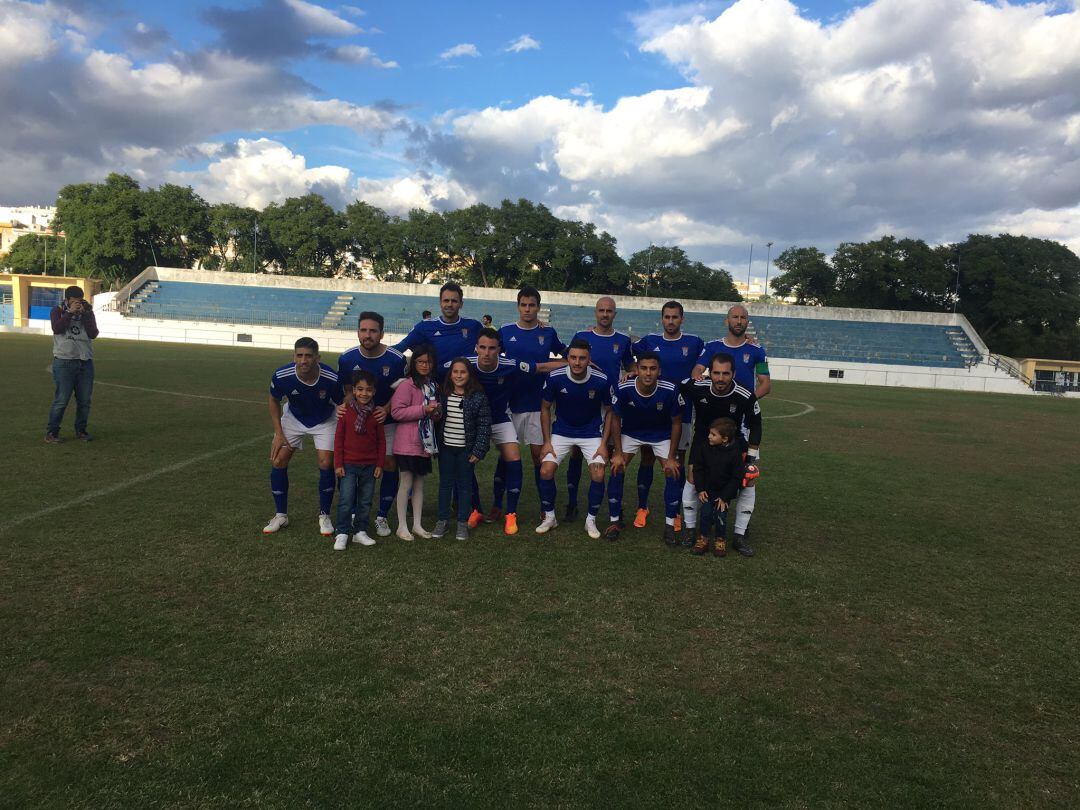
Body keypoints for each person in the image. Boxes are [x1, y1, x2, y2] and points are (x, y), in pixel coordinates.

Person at [448, 327, 566, 535]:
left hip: (500, 419)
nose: (487, 352)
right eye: (482, 347)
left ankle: (510, 514)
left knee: (514, 459)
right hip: (472, 422)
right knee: (465, 463)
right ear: (476, 348)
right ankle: (475, 510)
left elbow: (540, 367)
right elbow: (433, 369)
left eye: (492, 348)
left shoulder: (510, 365)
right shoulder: (465, 365)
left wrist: (573, 363)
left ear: (499, 350)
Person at [629, 300, 703, 532]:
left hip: (681, 411)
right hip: (652, 411)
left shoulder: (694, 342)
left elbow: (714, 354)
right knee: (647, 458)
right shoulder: (650, 341)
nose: (671, 321)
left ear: (682, 319)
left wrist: (749, 342)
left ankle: (676, 510)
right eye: (667, 317)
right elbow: (624, 349)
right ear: (662, 319)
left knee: (677, 461)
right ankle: (643, 507)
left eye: (675, 317)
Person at [496, 286, 567, 524]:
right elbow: (493, 358)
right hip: (510, 404)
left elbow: (568, 356)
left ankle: (546, 508)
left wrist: (546, 366)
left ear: (538, 307)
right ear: (518, 306)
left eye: (532, 305)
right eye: (523, 305)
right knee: (507, 457)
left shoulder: (547, 333)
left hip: (538, 405)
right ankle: (497, 505)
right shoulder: (505, 332)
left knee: (539, 457)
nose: (527, 309)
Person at [679, 352, 762, 557]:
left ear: (733, 373)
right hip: (703, 442)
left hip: (734, 445)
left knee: (748, 481)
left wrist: (750, 458)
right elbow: (677, 387)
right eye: (716, 373)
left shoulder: (744, 394)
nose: (720, 378)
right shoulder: (697, 387)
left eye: (725, 373)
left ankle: (739, 535)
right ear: (710, 373)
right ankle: (690, 530)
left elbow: (756, 424)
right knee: (691, 479)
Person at [336, 312, 407, 538]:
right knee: (351, 464)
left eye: (373, 330)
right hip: (358, 424)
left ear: (382, 333)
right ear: (358, 332)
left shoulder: (397, 359)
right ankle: (355, 512)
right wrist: (343, 406)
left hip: (385, 422)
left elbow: (402, 390)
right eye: (364, 330)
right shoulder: (346, 359)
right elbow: (348, 391)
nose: (368, 335)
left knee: (388, 464)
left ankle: (382, 516)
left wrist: (385, 409)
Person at [536, 339, 615, 539]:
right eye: (573, 357)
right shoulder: (555, 377)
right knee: (545, 470)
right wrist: (546, 441)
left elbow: (610, 411)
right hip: (562, 430)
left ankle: (590, 520)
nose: (577, 362)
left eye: (582, 358)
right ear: (567, 358)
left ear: (589, 359)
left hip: (591, 433)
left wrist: (604, 444)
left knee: (598, 474)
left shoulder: (602, 379)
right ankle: (550, 517)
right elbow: (545, 408)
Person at [264, 337, 342, 536]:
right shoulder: (282, 375)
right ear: (294, 356)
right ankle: (281, 515)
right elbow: (273, 400)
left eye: (308, 356)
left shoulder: (331, 378)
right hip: (294, 418)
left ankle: (324, 515)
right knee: (278, 461)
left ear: (317, 357)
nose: (303, 360)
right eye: (299, 355)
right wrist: (278, 434)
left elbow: (342, 403)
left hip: (324, 420)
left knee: (326, 463)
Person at [565, 296, 633, 522]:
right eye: (601, 310)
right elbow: (569, 361)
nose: (605, 314)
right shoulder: (582, 336)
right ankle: (572, 503)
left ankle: (616, 506)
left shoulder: (623, 340)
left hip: (612, 406)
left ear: (615, 314)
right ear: (595, 312)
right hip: (584, 403)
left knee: (613, 455)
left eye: (609, 311)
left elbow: (630, 365)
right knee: (576, 451)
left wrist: (631, 372)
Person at [608, 351, 684, 544]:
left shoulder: (670, 389)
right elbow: (615, 418)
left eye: (653, 369)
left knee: (672, 471)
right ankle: (614, 522)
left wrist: (671, 456)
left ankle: (669, 525)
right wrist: (617, 453)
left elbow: (676, 423)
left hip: (660, 435)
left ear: (660, 371)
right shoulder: (624, 387)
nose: (648, 373)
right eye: (643, 368)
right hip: (631, 433)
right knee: (617, 467)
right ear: (637, 370)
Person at [433, 358, 492, 541]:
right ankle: (442, 520)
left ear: (469, 374)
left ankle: (462, 523)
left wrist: (478, 451)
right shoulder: (442, 394)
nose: (458, 375)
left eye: (463, 372)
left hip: (466, 451)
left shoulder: (478, 397)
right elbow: (436, 420)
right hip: (446, 449)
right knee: (445, 485)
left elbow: (484, 425)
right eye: (455, 372)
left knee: (465, 487)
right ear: (450, 374)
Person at [389, 344, 440, 541]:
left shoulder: (432, 385)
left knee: (419, 485)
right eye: (420, 361)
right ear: (414, 363)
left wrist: (436, 413)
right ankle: (402, 526)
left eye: (428, 362)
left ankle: (417, 524)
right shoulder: (406, 385)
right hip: (407, 443)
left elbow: (432, 415)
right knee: (406, 483)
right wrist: (423, 409)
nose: (424, 365)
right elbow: (397, 412)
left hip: (425, 444)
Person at [333, 370, 385, 551]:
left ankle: (360, 532)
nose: (364, 393)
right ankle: (342, 532)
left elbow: (381, 441)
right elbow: (338, 438)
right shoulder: (345, 412)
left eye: (368, 390)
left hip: (370, 466)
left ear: (374, 391)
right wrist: (338, 464)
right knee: (346, 499)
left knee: (365, 500)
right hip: (348, 465)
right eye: (360, 389)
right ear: (353, 390)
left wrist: (379, 464)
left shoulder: (377, 414)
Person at [45, 285, 99, 443]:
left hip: (85, 362)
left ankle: (81, 430)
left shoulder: (87, 312)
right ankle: (52, 433)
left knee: (84, 401)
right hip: (64, 361)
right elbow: (57, 328)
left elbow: (93, 333)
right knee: (61, 400)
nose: (77, 304)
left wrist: (86, 315)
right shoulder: (57, 310)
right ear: (67, 300)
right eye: (74, 302)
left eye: (80, 301)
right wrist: (69, 313)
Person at [691, 417, 746, 558]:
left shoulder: (735, 453)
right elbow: (698, 469)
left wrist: (725, 496)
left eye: (713, 434)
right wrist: (701, 488)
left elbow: (736, 478)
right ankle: (703, 539)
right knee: (705, 513)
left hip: (724, 493)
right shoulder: (705, 448)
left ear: (725, 439)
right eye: (710, 433)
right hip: (708, 491)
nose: (709, 436)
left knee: (721, 515)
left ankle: (720, 540)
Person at [396, 283, 483, 372]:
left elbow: (492, 347)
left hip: (463, 382)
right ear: (440, 303)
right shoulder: (425, 326)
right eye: (446, 300)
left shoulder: (474, 325)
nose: (449, 304)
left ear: (461, 304)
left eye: (454, 301)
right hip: (435, 383)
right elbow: (400, 347)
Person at [692, 304, 771, 398]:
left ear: (747, 322)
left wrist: (748, 401)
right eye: (735, 317)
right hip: (715, 404)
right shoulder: (711, 347)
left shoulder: (758, 351)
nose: (739, 321)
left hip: (743, 409)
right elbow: (698, 369)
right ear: (727, 321)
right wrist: (698, 377)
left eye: (743, 318)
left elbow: (766, 384)